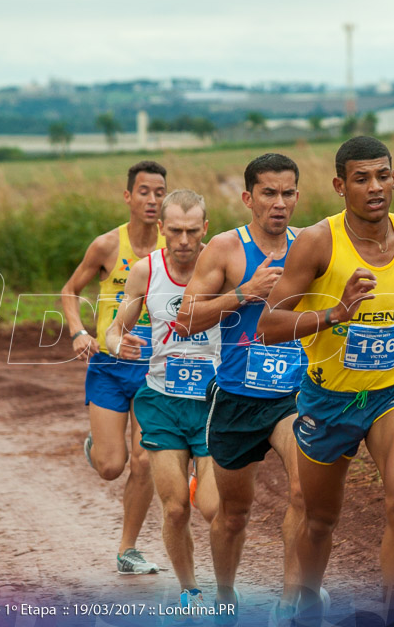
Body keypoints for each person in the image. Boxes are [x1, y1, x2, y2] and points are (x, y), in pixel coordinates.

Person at [256, 136, 394, 624]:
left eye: (383, 175)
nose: (375, 187)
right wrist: (337, 312)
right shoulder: (318, 242)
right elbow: (270, 324)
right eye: (362, 178)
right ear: (339, 185)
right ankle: (305, 606)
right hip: (330, 399)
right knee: (320, 520)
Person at [175, 153, 309, 621]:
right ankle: (226, 598)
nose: (279, 203)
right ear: (249, 197)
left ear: (297, 196)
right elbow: (186, 319)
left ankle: (291, 604)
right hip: (236, 397)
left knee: (304, 493)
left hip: (294, 395)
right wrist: (245, 293)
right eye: (269, 193)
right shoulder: (225, 249)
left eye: (288, 192)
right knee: (233, 514)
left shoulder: (310, 247)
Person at [106, 189, 222, 613]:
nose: (185, 240)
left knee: (212, 509)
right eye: (175, 231)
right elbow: (118, 329)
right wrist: (119, 343)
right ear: (162, 229)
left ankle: (197, 479)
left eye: (193, 231)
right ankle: (190, 591)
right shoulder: (145, 271)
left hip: (212, 403)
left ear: (205, 228)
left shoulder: (225, 266)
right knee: (175, 511)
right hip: (162, 402)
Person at [60, 160, 167, 575]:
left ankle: (128, 550)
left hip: (154, 367)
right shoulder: (107, 246)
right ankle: (97, 449)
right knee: (111, 467)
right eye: (144, 192)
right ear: (128, 197)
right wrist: (78, 332)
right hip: (107, 364)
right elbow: (70, 291)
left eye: (160, 192)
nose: (153, 200)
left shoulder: (174, 245)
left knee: (144, 461)